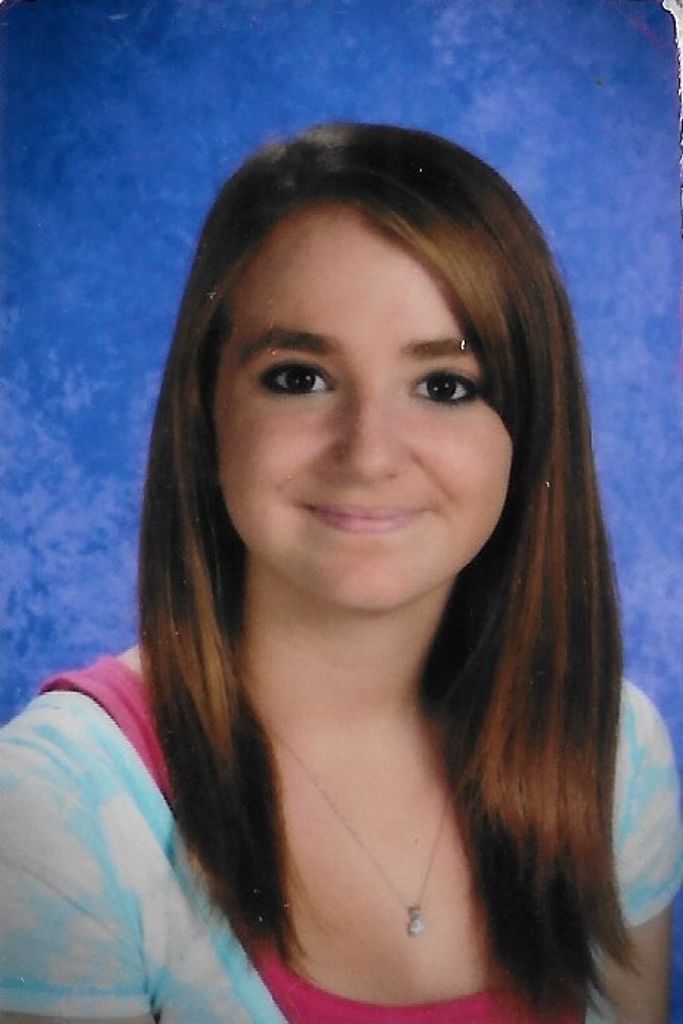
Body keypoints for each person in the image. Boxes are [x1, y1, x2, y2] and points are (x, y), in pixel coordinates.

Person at [0, 122, 681, 1024]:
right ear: (206, 411)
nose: (368, 454)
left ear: (528, 433)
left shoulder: (611, 754)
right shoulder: (54, 806)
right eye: (299, 377)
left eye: (445, 386)